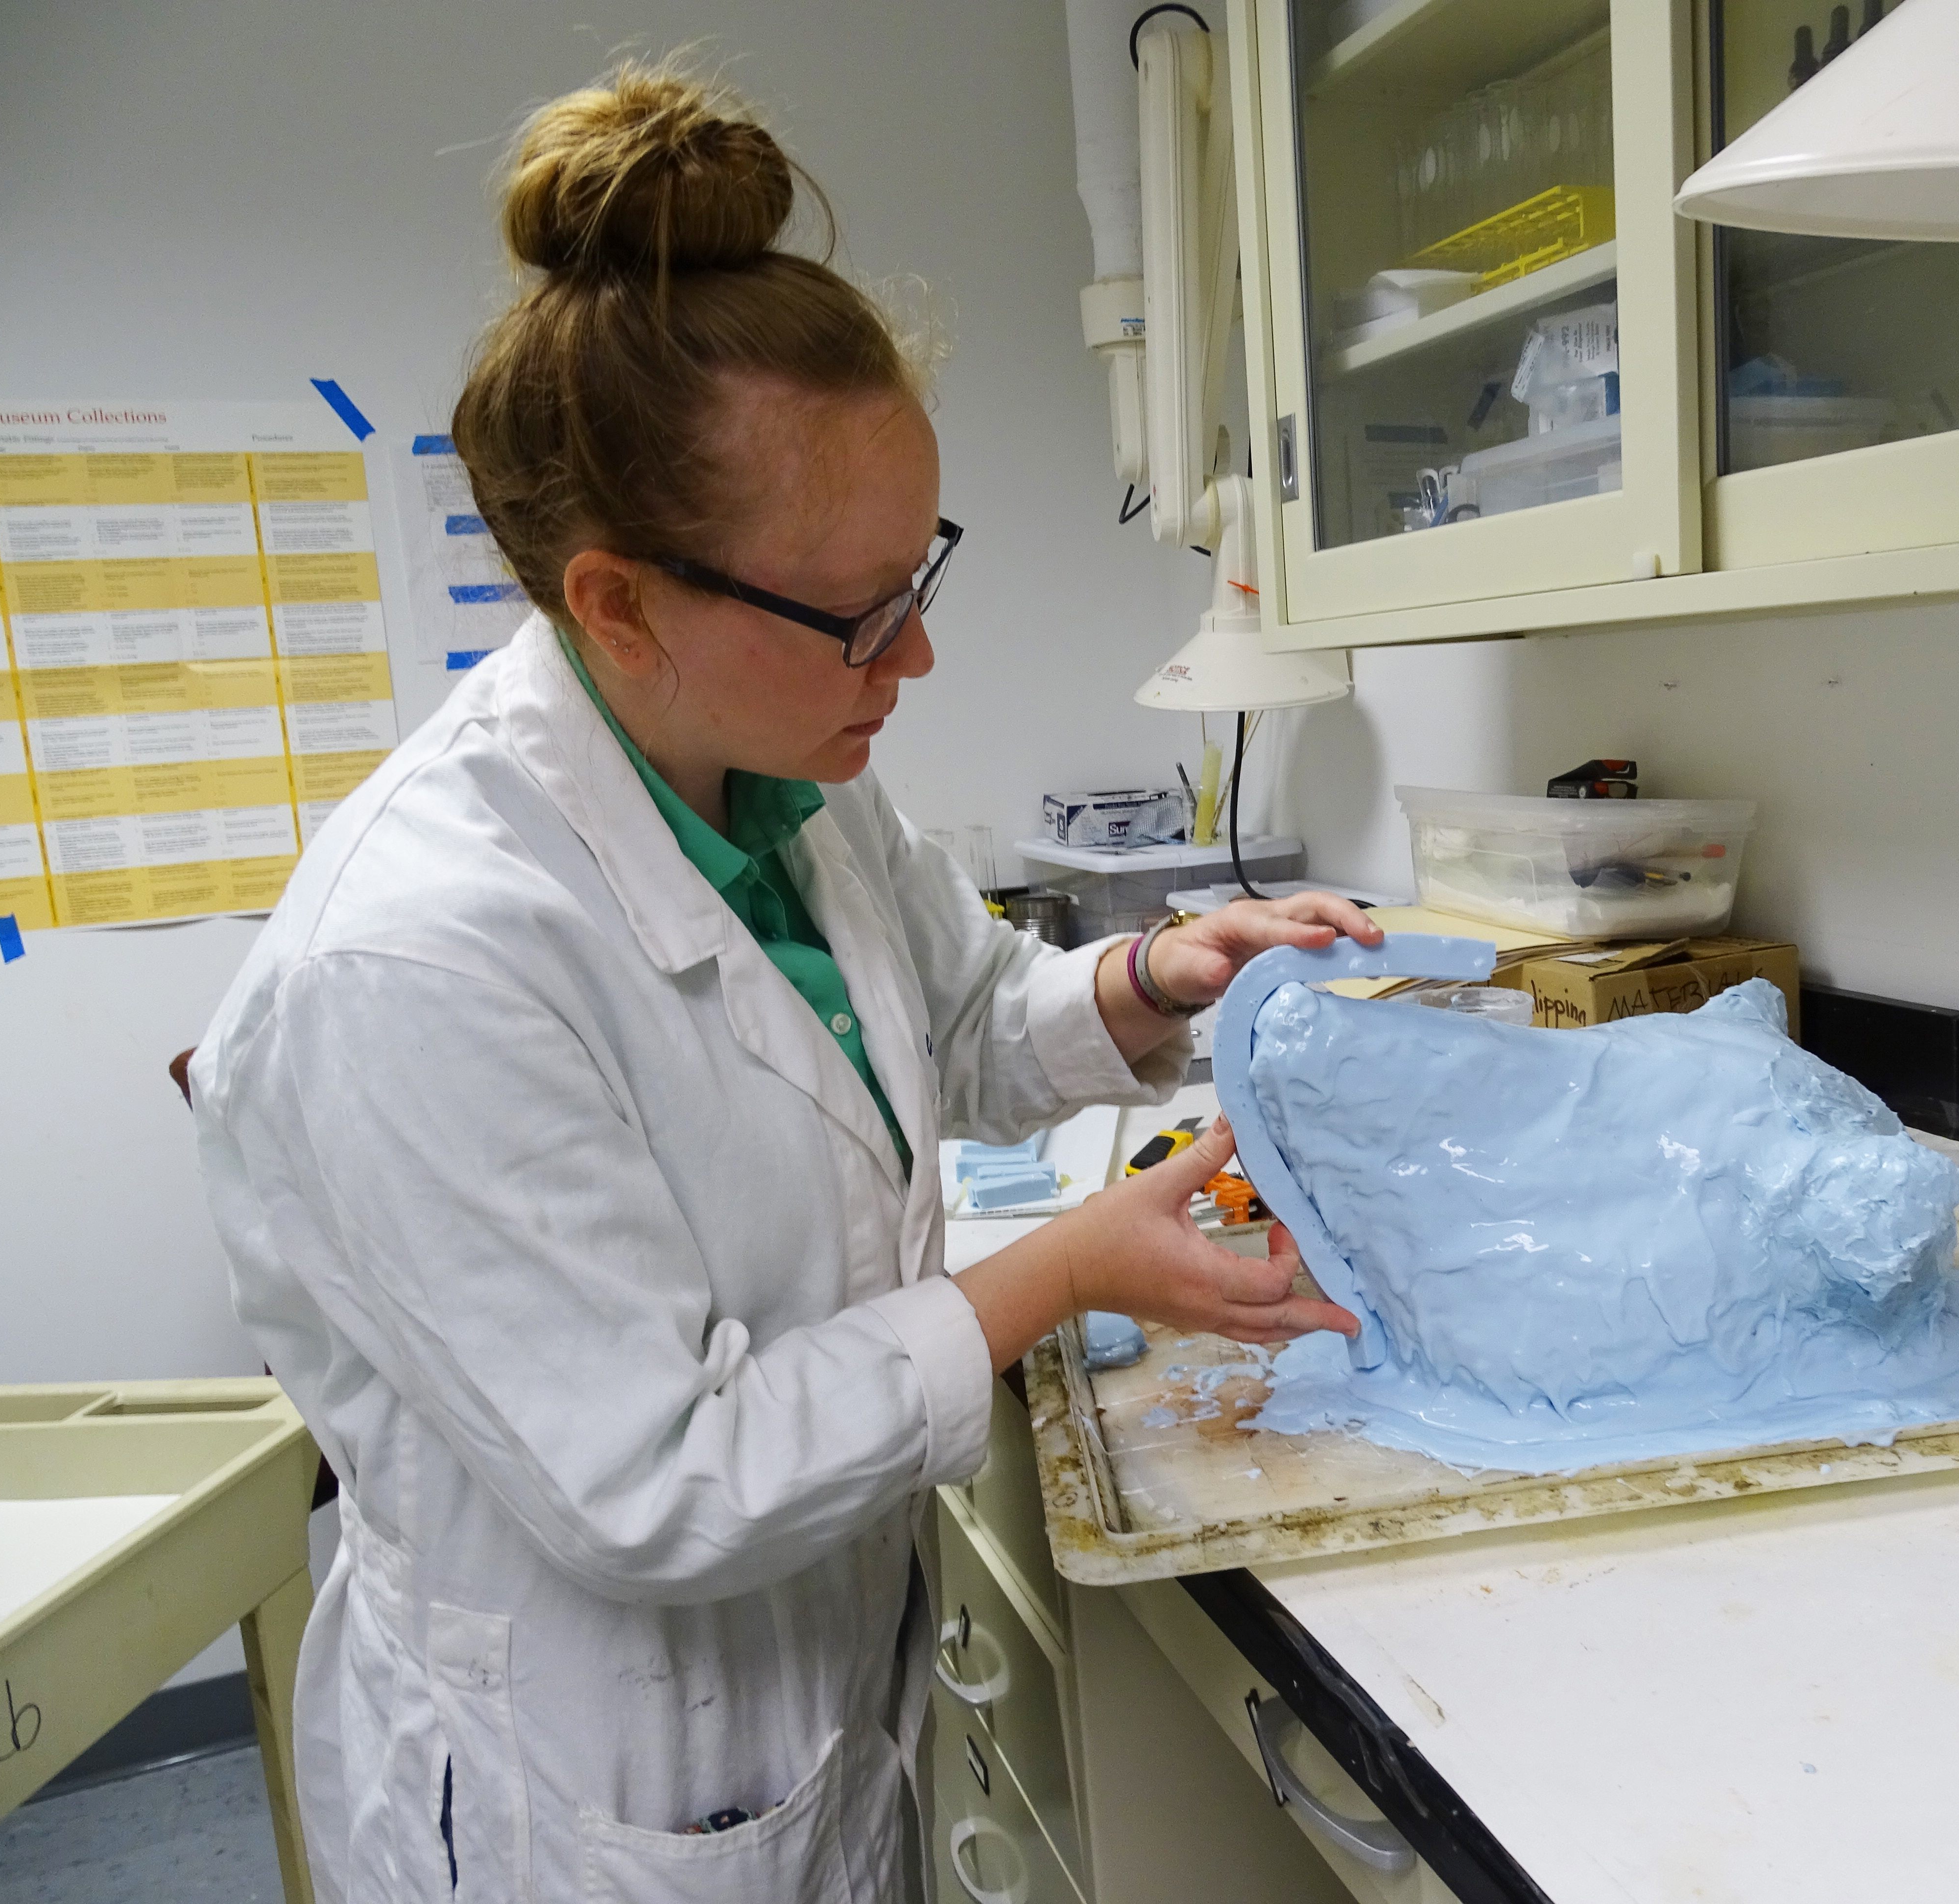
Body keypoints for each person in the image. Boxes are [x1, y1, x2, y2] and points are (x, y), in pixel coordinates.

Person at [190, 63, 1377, 1904]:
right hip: (588, 1773)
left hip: (819, 1677)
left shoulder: (781, 771)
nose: (916, 651)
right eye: (857, 610)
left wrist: (1155, 974)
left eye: (923, 574)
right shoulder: (416, 959)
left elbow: (961, 1016)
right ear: (619, 604)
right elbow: (661, 1477)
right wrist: (1059, 1271)